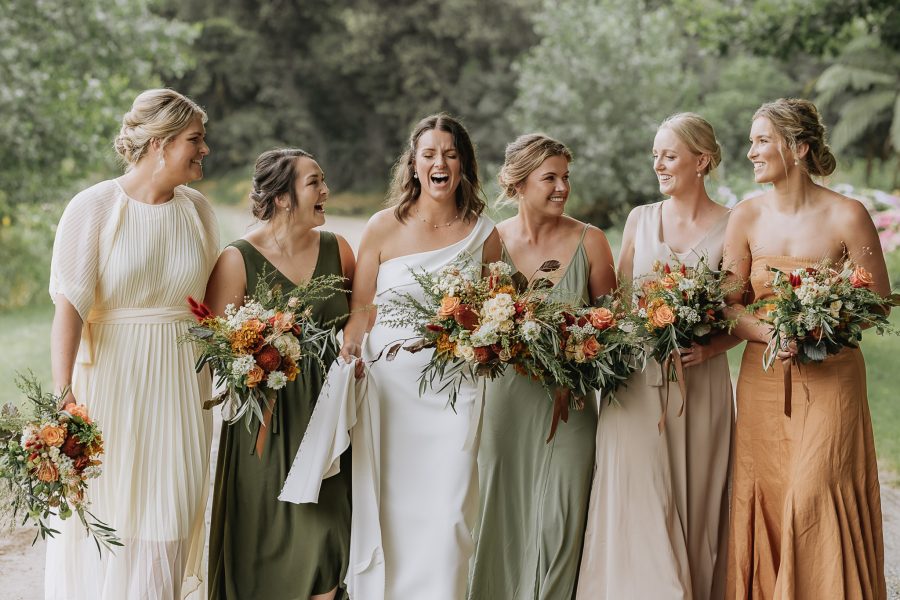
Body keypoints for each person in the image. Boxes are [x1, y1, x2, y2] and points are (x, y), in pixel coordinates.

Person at [46, 88, 219, 599]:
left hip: (183, 386)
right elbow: (69, 309)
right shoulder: (94, 207)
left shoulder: (198, 211)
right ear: (161, 144)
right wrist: (63, 396)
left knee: (172, 510)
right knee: (112, 516)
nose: (205, 149)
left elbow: (211, 305)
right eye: (195, 139)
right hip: (112, 385)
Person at [722, 98, 888, 599]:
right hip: (764, 379)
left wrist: (819, 324)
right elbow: (729, 305)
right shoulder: (745, 217)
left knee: (815, 490)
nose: (750, 151)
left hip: (832, 378)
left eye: (760, 140)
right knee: (771, 492)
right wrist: (770, 333)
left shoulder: (848, 214)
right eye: (751, 140)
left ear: (798, 148)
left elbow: (876, 302)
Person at [338, 113, 501, 599]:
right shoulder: (382, 227)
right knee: (393, 507)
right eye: (429, 154)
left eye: (450, 154)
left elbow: (497, 312)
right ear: (412, 164)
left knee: (451, 511)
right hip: (390, 390)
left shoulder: (483, 234)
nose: (440, 163)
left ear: (464, 165)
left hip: (458, 387)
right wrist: (351, 349)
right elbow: (361, 308)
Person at [577, 113, 736, 599]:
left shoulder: (735, 225)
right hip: (636, 384)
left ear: (702, 161)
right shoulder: (639, 219)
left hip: (700, 385)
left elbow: (741, 311)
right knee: (638, 495)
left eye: (669, 155)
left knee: (696, 501)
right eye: (655, 155)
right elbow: (618, 304)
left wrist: (711, 345)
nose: (658, 165)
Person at [467, 134, 616, 600]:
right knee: (502, 514)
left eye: (565, 177)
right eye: (549, 177)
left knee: (561, 519)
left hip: (567, 406)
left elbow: (615, 327)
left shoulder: (591, 241)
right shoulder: (491, 241)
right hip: (505, 406)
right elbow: (473, 326)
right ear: (517, 182)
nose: (561, 187)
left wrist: (582, 344)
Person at [204, 149, 354, 599]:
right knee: (263, 546)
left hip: (326, 419)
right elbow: (216, 349)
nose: (325, 190)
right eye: (314, 182)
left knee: (328, 540)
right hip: (265, 425)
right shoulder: (238, 259)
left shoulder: (339, 251)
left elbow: (363, 318)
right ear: (284, 198)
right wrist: (260, 355)